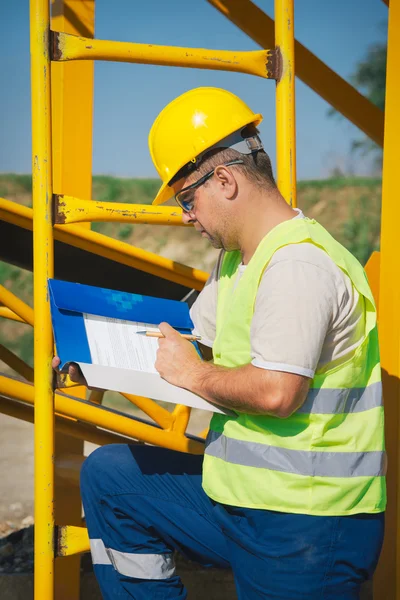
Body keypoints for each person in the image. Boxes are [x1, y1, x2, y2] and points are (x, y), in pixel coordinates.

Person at [53, 87, 386, 599]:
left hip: (308, 522)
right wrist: (92, 359)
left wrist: (191, 373)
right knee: (113, 479)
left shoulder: (299, 264)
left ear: (225, 180)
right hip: (240, 500)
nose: (187, 215)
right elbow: (184, 342)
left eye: (188, 198)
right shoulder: (237, 261)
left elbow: (277, 392)